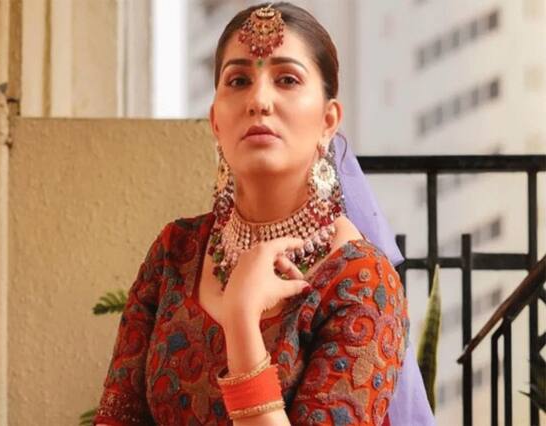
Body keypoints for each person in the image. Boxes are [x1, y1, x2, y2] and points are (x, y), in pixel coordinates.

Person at [94, 2, 435, 425]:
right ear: (216, 121)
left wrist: (241, 320)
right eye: (238, 81)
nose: (258, 100)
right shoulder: (175, 253)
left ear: (328, 120)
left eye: (287, 79)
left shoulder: (361, 281)